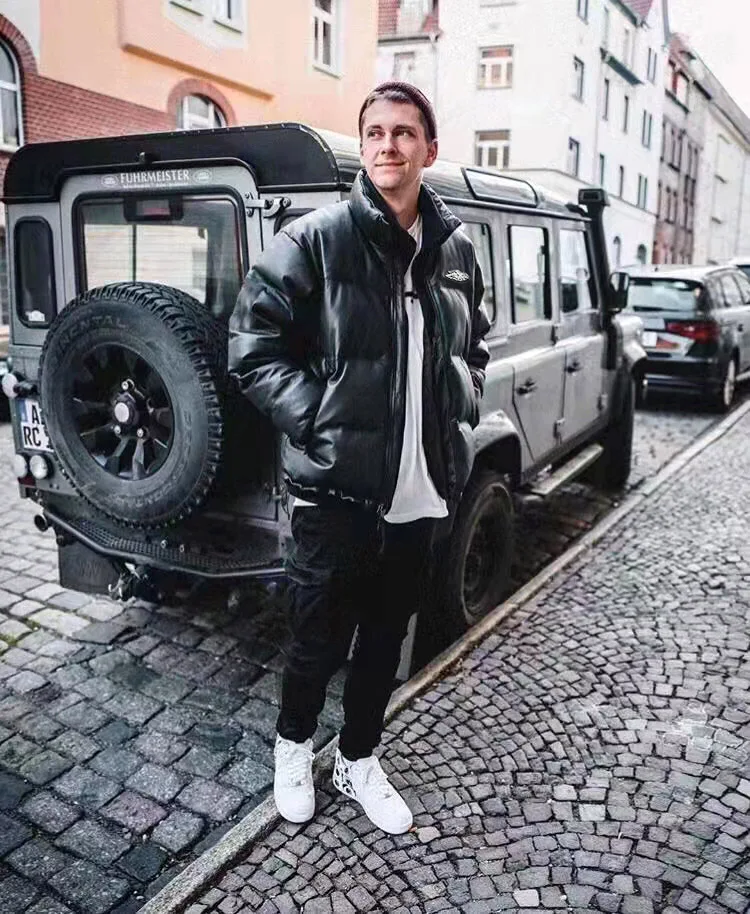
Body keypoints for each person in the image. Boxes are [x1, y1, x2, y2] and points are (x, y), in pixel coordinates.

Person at [230, 82, 490, 835]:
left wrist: (464, 399)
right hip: (336, 493)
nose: (387, 145)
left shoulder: (456, 250)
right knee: (316, 639)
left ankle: (358, 759)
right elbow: (251, 349)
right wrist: (322, 422)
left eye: (403, 133)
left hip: (422, 491)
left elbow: (474, 343)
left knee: (384, 642)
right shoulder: (316, 239)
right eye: (375, 132)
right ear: (363, 145)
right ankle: (292, 750)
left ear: (429, 149)